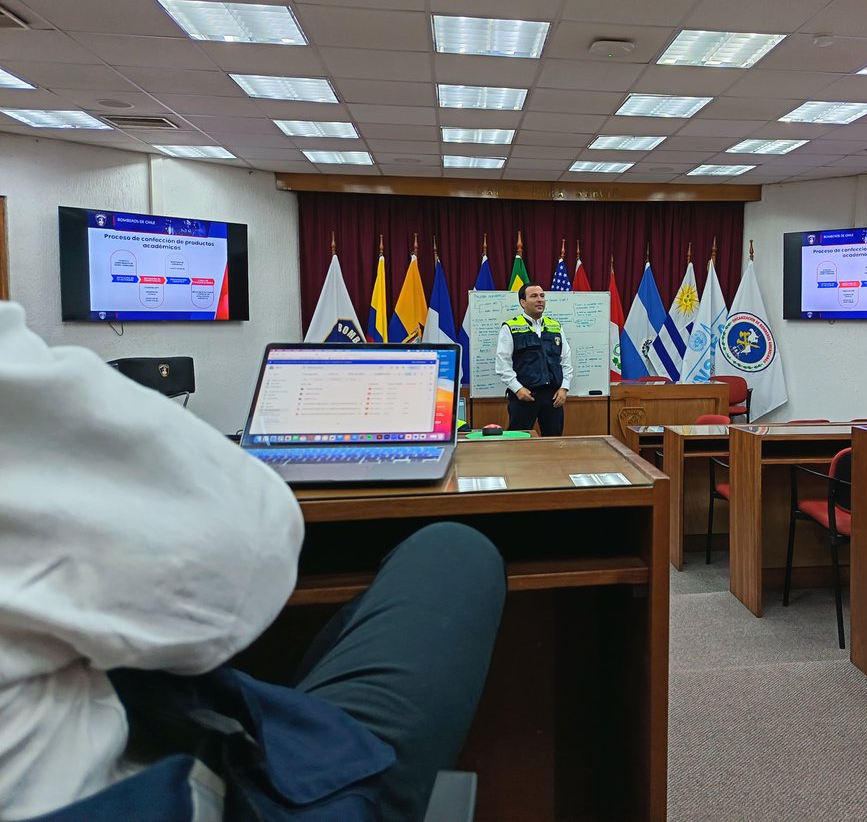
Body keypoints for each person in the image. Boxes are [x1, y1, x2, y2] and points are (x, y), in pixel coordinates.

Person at [0, 300, 505, 821]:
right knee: (454, 550)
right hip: (149, 799)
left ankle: (301, 727)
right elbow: (249, 562)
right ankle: (316, 759)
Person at [495, 282, 573, 436]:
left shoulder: (555, 326)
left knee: (554, 443)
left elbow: (566, 360)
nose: (540, 299)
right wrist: (518, 389)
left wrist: (564, 388)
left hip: (553, 397)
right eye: (534, 296)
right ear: (523, 302)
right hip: (524, 395)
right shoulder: (510, 327)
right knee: (518, 445)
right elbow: (502, 364)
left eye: (542, 296)